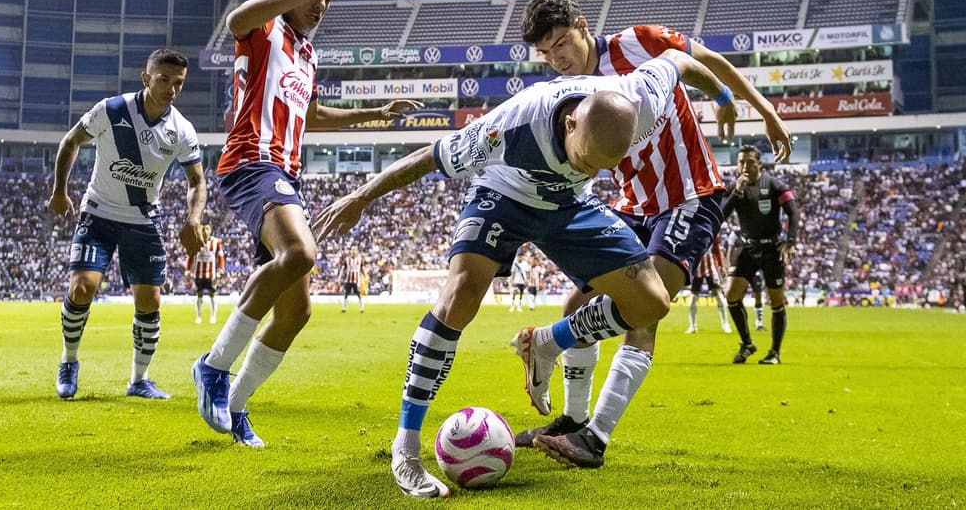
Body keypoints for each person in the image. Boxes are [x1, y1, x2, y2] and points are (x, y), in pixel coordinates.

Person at [312, 49, 740, 498]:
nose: (591, 168)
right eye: (587, 158)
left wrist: (724, 97)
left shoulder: (639, 95)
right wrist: (361, 196)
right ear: (570, 124)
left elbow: (678, 60)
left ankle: (547, 342)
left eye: (603, 165)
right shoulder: (510, 125)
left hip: (570, 204)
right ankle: (406, 448)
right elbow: (429, 156)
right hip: (504, 194)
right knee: (461, 293)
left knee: (651, 303)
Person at [505, 0, 792, 469]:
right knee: (577, 303)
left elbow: (705, 60)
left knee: (644, 311)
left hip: (690, 195)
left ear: (582, 25)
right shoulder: (567, 93)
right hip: (632, 205)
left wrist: (756, 108)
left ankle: (594, 436)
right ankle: (573, 421)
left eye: (561, 45)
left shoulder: (639, 43)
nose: (557, 60)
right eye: (546, 54)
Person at [190, 0, 423, 448]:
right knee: (300, 252)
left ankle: (236, 407)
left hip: (285, 175)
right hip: (251, 161)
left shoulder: (306, 53)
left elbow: (312, 115)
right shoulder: (264, 27)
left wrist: (376, 113)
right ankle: (213, 366)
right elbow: (235, 20)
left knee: (296, 312)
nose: (322, 4)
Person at [48, 48, 206, 400]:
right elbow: (71, 140)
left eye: (179, 83)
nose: (171, 89)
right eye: (164, 80)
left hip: (143, 220)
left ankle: (139, 380)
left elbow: (197, 181)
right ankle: (69, 361)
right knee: (82, 288)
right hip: (98, 213)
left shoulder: (182, 129)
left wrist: (193, 218)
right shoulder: (112, 109)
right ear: (146, 78)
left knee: (150, 301)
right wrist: (59, 190)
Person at [723, 145, 801, 366]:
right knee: (731, 294)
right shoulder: (736, 187)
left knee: (776, 301)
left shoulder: (774, 185)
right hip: (747, 248)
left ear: (759, 163)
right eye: (741, 162)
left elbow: (793, 212)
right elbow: (722, 214)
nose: (744, 166)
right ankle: (747, 344)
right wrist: (736, 192)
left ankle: (774, 352)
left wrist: (790, 242)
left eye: (749, 161)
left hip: (771, 249)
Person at [686, 241, 731, 334]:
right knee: (693, 297)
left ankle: (725, 325)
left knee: (719, 296)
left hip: (711, 269)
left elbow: (717, 250)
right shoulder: (692, 234)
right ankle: (692, 326)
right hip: (696, 270)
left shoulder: (713, 234)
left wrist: (721, 266)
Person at [188, 222, 225, 324]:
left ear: (210, 230)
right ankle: (199, 317)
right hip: (199, 273)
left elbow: (221, 256)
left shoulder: (216, 242)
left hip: (211, 274)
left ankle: (213, 316)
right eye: (203, 229)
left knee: (212, 294)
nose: (205, 231)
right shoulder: (196, 241)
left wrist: (221, 269)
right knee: (199, 294)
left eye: (207, 229)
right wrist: (188, 269)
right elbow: (191, 256)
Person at [339, 247, 364, 313]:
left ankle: (362, 308)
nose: (353, 252)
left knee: (358, 294)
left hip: (356, 280)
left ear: (357, 251)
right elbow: (342, 269)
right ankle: (344, 308)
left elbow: (362, 268)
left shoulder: (360, 259)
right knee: (346, 293)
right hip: (348, 280)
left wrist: (365, 275)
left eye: (355, 250)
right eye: (352, 250)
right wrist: (339, 276)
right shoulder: (347, 259)